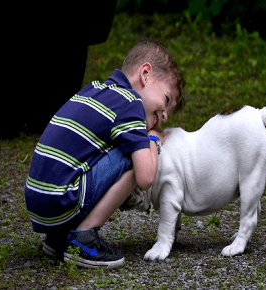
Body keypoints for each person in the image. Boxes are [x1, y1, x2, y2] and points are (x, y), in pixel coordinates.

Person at [25, 39, 185, 268]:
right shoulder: (130, 105)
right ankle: (83, 238)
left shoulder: (94, 90)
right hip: (62, 198)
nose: (165, 117)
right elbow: (146, 177)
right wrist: (152, 140)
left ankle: (58, 237)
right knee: (132, 155)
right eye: (166, 100)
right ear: (146, 74)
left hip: (38, 201)